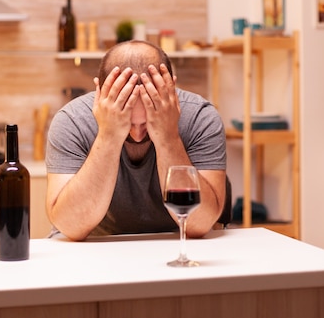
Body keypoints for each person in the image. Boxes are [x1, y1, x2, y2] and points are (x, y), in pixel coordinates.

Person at [45, 40, 226, 241]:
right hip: (97, 246)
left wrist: (167, 136)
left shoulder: (200, 117)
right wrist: (109, 135)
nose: (138, 135)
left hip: (174, 243)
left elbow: (200, 224)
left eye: (147, 124)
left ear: (170, 91)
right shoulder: (72, 120)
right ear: (101, 94)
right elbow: (70, 226)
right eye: (128, 123)